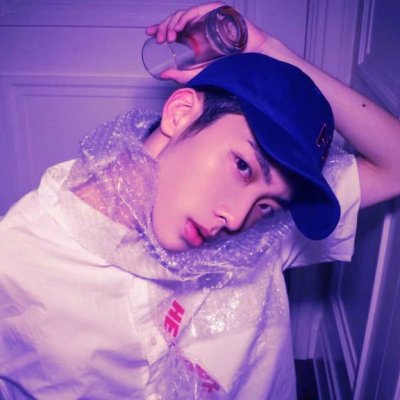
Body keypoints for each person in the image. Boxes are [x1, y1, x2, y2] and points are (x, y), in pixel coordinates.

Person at [0, 2, 399, 399]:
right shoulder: (17, 261)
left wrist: (269, 52)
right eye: (243, 166)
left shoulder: (262, 235)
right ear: (179, 114)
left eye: (269, 205)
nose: (237, 219)